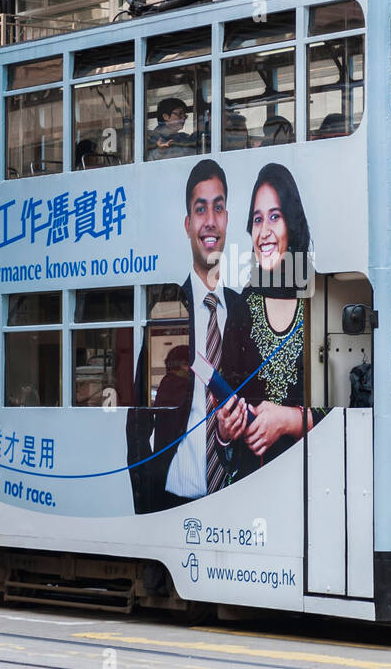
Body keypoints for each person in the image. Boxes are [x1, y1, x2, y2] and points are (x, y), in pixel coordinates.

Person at [126, 158, 245, 513]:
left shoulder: (245, 312)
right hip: (171, 500)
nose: (210, 220)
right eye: (200, 209)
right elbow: (138, 419)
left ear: (227, 219)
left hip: (237, 497)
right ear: (188, 224)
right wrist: (145, 506)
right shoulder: (168, 309)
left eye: (218, 208)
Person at [218, 163, 326, 478]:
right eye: (257, 219)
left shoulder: (324, 301)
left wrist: (291, 420)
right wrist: (225, 428)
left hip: (317, 485)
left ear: (293, 224)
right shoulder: (242, 309)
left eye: (275, 217)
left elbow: (353, 410)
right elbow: (225, 437)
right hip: (251, 488)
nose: (264, 231)